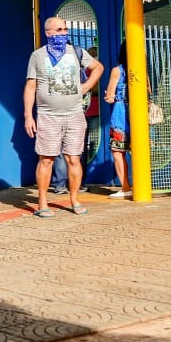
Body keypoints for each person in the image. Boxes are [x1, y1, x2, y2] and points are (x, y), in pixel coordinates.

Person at [24, 17, 103, 217]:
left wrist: (86, 87)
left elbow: (98, 67)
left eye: (65, 29)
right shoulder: (37, 56)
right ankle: (43, 202)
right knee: (46, 159)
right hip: (48, 116)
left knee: (73, 159)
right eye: (58, 30)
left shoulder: (76, 52)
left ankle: (75, 199)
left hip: (75, 115)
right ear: (48, 33)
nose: (62, 33)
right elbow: (31, 86)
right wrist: (28, 115)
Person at [103, 42, 133, 199]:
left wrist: (108, 95)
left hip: (121, 113)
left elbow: (110, 97)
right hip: (137, 112)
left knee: (118, 151)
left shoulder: (117, 71)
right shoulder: (142, 69)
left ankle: (126, 186)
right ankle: (142, 184)